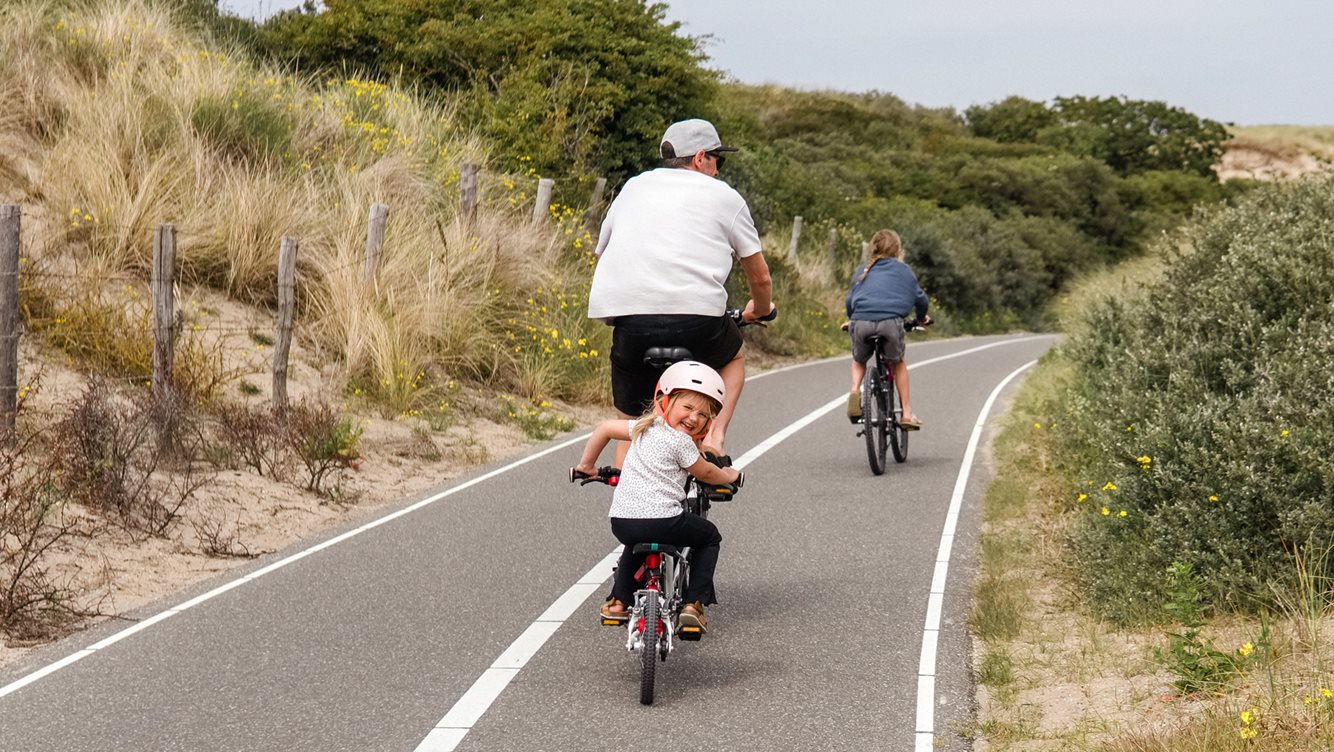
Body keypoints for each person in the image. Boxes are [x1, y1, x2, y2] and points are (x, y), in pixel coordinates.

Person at [587, 118, 773, 464]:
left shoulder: (632, 187)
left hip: (630, 320)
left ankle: (622, 485)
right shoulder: (724, 196)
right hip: (697, 319)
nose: (718, 170)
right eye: (718, 159)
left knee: (632, 422)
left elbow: (601, 253)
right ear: (701, 157)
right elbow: (759, 277)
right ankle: (715, 438)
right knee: (734, 357)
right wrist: (760, 309)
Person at [572, 361, 742, 633]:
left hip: (622, 521)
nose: (694, 418)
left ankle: (618, 602)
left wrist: (587, 466)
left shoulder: (641, 427)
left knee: (636, 541)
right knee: (710, 537)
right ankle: (693, 605)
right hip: (664, 520)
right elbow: (706, 472)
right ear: (665, 402)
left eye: (703, 414)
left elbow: (604, 428)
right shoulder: (682, 443)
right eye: (687, 408)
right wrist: (731, 476)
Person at [843, 229, 930, 428]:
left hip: (861, 322)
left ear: (873, 249)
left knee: (859, 360)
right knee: (898, 363)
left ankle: (855, 390)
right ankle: (907, 414)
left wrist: (852, 320)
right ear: (898, 250)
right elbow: (921, 299)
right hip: (891, 323)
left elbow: (850, 300)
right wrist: (920, 318)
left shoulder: (862, 270)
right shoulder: (904, 270)